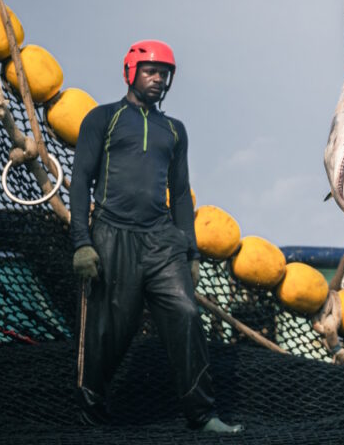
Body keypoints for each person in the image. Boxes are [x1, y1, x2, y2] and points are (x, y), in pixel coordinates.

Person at [69, 40, 241, 433]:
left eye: (164, 73)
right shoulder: (103, 119)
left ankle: (203, 415)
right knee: (108, 331)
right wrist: (81, 241)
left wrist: (191, 252)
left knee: (186, 314)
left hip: (162, 238)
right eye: (150, 71)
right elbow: (80, 181)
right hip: (112, 233)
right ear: (131, 72)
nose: (158, 79)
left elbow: (180, 193)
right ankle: (91, 415)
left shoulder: (174, 131)